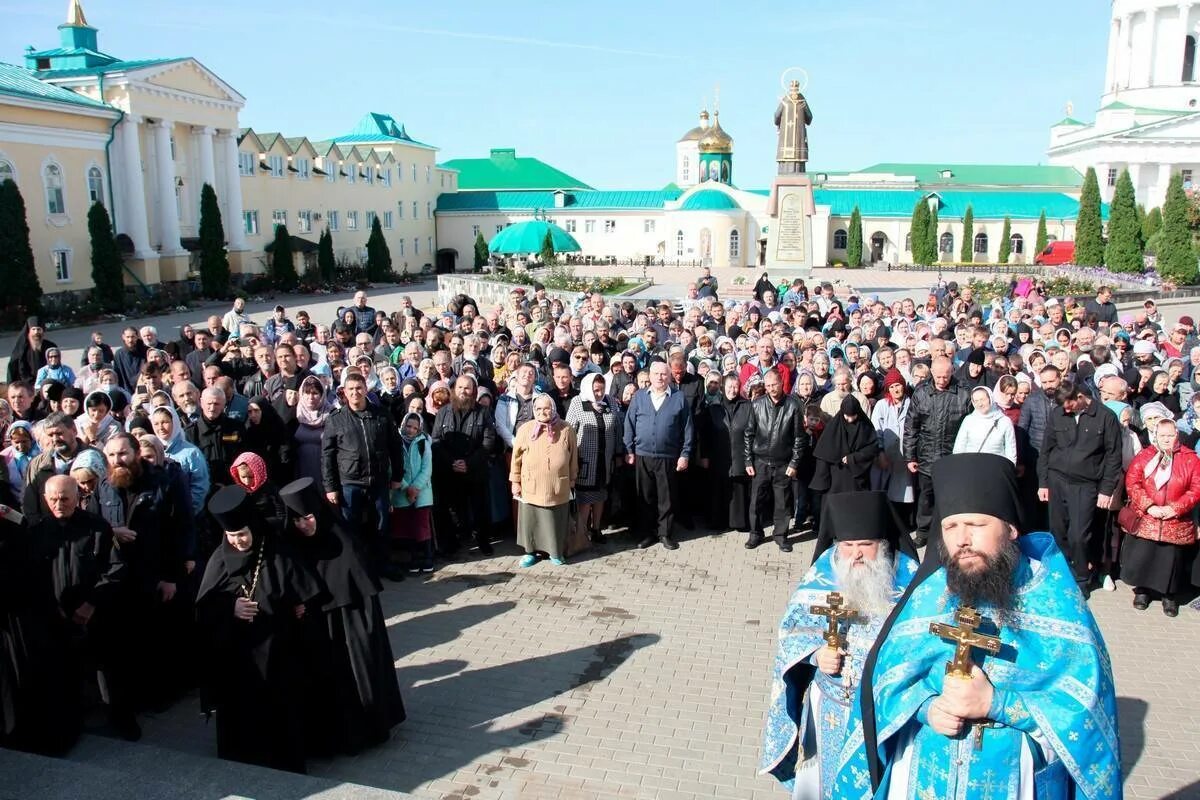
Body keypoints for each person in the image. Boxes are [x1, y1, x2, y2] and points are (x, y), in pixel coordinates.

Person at [839, 453, 1121, 800]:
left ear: (1011, 528)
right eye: (951, 527)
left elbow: (1088, 713)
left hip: (1014, 780)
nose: (962, 540)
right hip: (923, 773)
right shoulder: (930, 595)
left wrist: (996, 703)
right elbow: (886, 681)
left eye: (976, 525)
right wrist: (926, 707)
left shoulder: (1056, 601)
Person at [759, 491, 919, 797]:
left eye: (865, 546)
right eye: (847, 546)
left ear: (882, 545)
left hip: (880, 712)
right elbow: (792, 628)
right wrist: (817, 654)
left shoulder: (908, 579)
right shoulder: (823, 573)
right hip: (828, 706)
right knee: (822, 782)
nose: (855, 555)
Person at [196, 485, 322, 773]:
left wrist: (300, 605)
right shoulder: (219, 559)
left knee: (281, 705)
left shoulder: (276, 551)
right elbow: (205, 605)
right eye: (231, 536)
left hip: (279, 648)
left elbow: (304, 589)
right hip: (238, 654)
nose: (238, 541)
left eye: (242, 534)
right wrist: (231, 608)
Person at [279, 477, 405, 755]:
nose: (303, 525)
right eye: (297, 520)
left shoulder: (344, 541)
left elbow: (358, 587)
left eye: (308, 518)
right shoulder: (293, 545)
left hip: (350, 623)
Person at [1037, 379, 1123, 592]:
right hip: (1057, 480)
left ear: (1079, 397)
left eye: (1069, 405)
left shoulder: (1105, 417)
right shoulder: (1058, 414)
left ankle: (1082, 578)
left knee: (1079, 535)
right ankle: (1063, 572)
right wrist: (1043, 482)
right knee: (1058, 532)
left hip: (1085, 485)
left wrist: (1106, 489)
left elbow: (1113, 456)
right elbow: (1046, 449)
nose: (1066, 410)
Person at [321, 372, 405, 580]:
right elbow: (327, 456)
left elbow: (395, 446)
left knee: (382, 525)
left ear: (365, 389)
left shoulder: (381, 414)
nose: (355, 393)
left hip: (378, 481)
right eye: (351, 389)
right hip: (350, 483)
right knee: (352, 527)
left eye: (359, 388)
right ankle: (358, 570)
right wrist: (330, 487)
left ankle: (384, 565)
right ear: (344, 393)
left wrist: (397, 475)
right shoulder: (336, 419)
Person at [1121, 417, 1200, 616]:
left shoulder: (1190, 458)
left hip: (1175, 519)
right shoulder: (1145, 455)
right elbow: (1132, 482)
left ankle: (1169, 596)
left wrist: (1175, 508)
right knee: (1143, 556)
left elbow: (1196, 488)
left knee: (1170, 561)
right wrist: (1149, 506)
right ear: (1155, 435)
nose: (1166, 439)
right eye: (1162, 435)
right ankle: (1142, 591)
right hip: (1148, 515)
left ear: (1177, 435)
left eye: (1170, 435)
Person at [623, 360, 694, 551]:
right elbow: (629, 424)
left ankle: (665, 533)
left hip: (668, 456)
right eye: (656, 374)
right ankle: (647, 533)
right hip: (642, 455)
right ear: (650, 376)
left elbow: (687, 429)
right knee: (645, 496)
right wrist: (629, 450)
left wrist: (684, 454)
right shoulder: (639, 397)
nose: (660, 377)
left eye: (664, 374)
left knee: (666, 497)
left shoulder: (678, 398)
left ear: (669, 377)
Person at [903, 357, 971, 547]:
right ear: (932, 372)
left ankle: (948, 534)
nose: (942, 380)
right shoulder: (921, 393)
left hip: (953, 456)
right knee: (926, 498)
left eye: (946, 377)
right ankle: (923, 533)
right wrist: (909, 456)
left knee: (951, 499)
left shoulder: (964, 393)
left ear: (952, 372)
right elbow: (911, 427)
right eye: (939, 376)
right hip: (926, 456)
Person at [431, 375, 498, 556]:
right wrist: (451, 462)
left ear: (474, 392)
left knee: (480, 509)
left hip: (475, 471)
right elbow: (436, 440)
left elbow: (488, 442)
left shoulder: (483, 412)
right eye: (460, 387)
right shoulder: (443, 412)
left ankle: (482, 540)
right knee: (450, 510)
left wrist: (468, 463)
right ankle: (452, 544)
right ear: (454, 390)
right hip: (449, 471)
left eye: (467, 388)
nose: (463, 391)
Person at [744, 368, 809, 552]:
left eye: (774, 384)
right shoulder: (757, 404)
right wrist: (748, 461)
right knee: (756, 501)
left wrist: (794, 463)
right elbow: (749, 434)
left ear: (782, 383)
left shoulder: (793, 406)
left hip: (783, 464)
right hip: (760, 462)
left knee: (783, 503)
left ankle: (781, 536)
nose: (771, 388)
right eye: (768, 385)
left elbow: (799, 438)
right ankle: (755, 534)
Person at [510, 395, 578, 567]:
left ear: (553, 408)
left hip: (558, 486)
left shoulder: (566, 429)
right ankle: (531, 552)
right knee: (531, 521)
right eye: (538, 409)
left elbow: (573, 458)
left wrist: (572, 479)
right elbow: (516, 459)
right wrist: (515, 481)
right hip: (531, 486)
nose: (542, 412)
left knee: (556, 521)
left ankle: (555, 552)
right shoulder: (525, 429)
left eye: (546, 408)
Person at [566, 373, 623, 548]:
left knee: (600, 496)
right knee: (585, 499)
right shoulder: (578, 402)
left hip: (605, 460)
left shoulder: (611, 402)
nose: (599, 394)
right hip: (585, 460)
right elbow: (569, 430)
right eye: (595, 390)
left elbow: (617, 430)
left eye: (602, 389)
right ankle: (581, 534)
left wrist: (619, 454)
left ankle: (596, 529)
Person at [706, 372, 753, 533]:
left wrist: (749, 459)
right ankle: (718, 522)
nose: (732, 390)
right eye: (729, 386)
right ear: (722, 387)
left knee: (738, 489)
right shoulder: (713, 407)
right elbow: (706, 434)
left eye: (735, 387)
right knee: (718, 489)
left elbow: (751, 432)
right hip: (719, 454)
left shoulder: (747, 406)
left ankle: (739, 522)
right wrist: (705, 456)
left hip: (740, 455)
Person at [391, 412, 435, 573]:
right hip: (402, 490)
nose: (411, 430)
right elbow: (392, 466)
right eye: (408, 426)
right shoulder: (395, 442)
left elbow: (427, 468)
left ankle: (428, 558)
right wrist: (406, 486)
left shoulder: (424, 443)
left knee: (422, 525)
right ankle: (413, 559)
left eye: (415, 428)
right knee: (406, 526)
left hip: (422, 492)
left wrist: (415, 487)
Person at [870, 369, 914, 524]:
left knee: (905, 490)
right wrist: (880, 451)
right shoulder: (882, 405)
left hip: (906, 453)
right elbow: (877, 429)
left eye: (898, 385)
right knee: (886, 488)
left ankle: (905, 522)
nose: (896, 389)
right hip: (887, 454)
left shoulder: (912, 403)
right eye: (892, 386)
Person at [810, 396, 877, 497]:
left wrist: (853, 458)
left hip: (858, 478)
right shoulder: (833, 427)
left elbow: (871, 448)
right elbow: (824, 453)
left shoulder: (865, 426)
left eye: (853, 416)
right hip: (836, 479)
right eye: (847, 416)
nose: (850, 420)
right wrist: (822, 481)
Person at [952, 385, 1017, 463]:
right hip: (971, 467)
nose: (980, 404)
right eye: (976, 401)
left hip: (996, 468)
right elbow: (959, 448)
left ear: (990, 398)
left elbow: (1011, 451)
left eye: (982, 400)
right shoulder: (969, 420)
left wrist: (1009, 470)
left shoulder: (1004, 421)